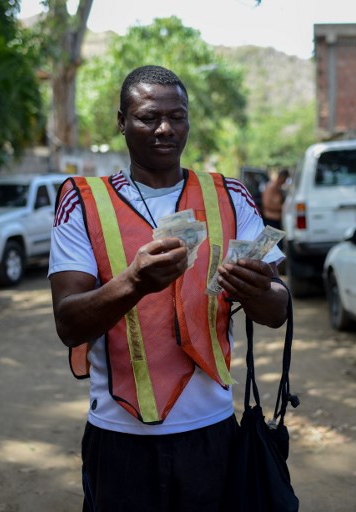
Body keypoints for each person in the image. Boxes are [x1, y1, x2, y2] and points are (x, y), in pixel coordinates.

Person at [48, 65, 289, 512]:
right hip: (119, 438)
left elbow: (276, 311)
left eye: (177, 116)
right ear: (121, 121)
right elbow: (68, 324)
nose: (165, 128)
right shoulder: (81, 200)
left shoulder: (231, 196)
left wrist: (259, 290)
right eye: (147, 117)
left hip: (212, 433)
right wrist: (135, 282)